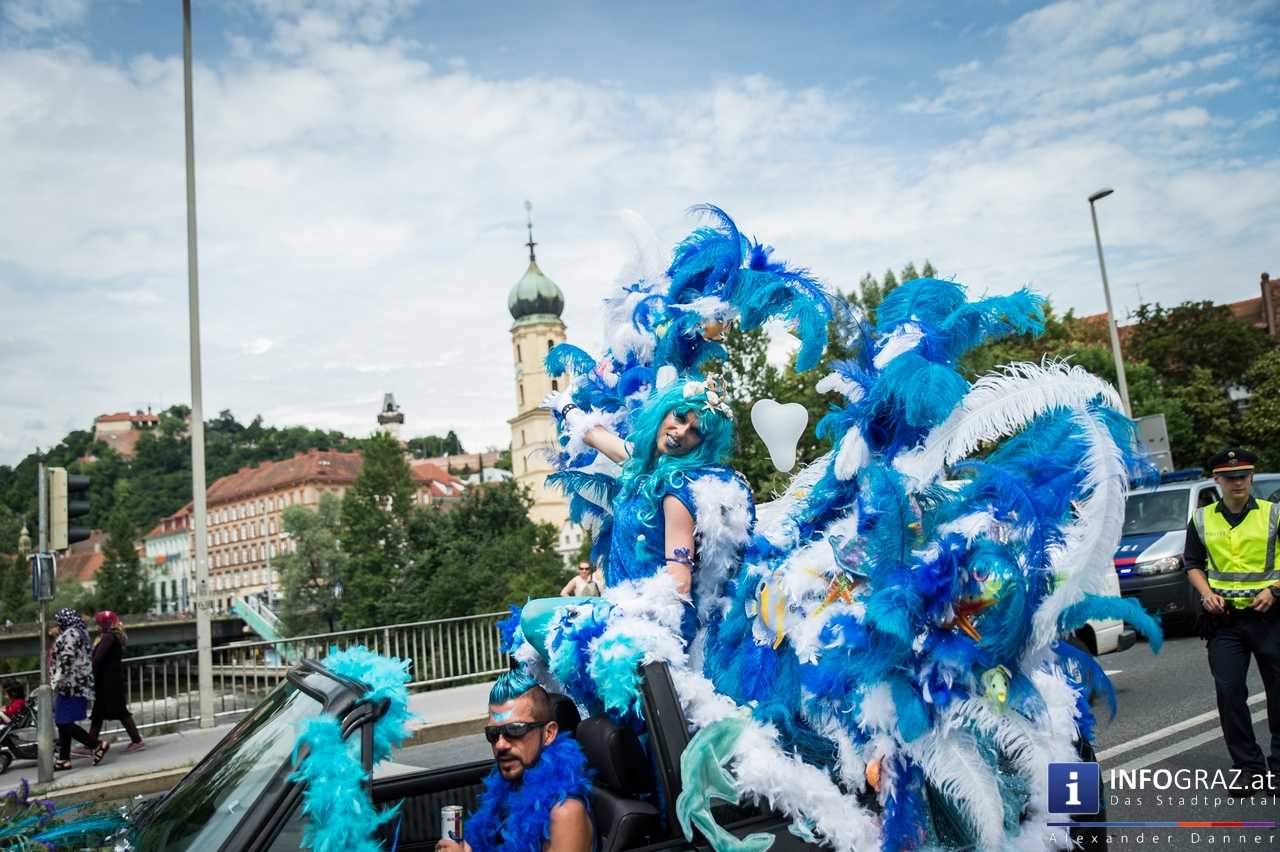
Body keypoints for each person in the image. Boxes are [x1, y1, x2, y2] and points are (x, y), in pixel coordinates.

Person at [1183, 448, 1280, 788]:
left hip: (1270, 617)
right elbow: (1192, 562)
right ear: (1217, 480)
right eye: (1230, 477)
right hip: (1224, 622)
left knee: (1278, 693)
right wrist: (1206, 594)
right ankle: (1250, 770)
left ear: (1251, 477)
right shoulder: (1201, 518)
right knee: (1229, 692)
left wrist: (1275, 591)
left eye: (1243, 476)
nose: (1237, 482)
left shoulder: (1274, 514)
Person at [438, 670, 592, 852]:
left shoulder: (565, 813)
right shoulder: (509, 790)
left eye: (516, 730)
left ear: (549, 733)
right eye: (493, 734)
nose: (501, 744)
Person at [49, 608, 108, 770]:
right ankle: (64, 759)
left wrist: (56, 679)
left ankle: (97, 745)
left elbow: (66, 659)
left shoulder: (71, 634)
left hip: (70, 685)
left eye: (58, 621)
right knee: (63, 721)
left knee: (62, 721)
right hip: (77, 684)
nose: (57, 624)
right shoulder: (80, 632)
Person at [79, 611, 145, 754]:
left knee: (120, 712)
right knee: (98, 713)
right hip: (108, 681)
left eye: (98, 623)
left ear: (104, 624)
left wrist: (86, 667)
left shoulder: (108, 637)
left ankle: (137, 741)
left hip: (110, 682)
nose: (96, 626)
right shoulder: (111, 635)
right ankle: (90, 745)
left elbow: (97, 659)